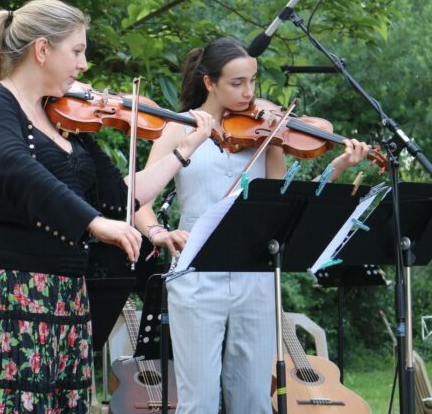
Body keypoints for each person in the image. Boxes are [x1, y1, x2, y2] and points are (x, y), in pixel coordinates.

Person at [0, 0, 214, 414]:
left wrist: (184, 150)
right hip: (10, 292)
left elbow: (120, 199)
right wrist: (93, 223)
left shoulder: (65, 118)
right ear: (42, 49)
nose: (84, 64)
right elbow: (16, 170)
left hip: (66, 295)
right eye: (77, 51)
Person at [134, 36, 371, 414]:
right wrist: (158, 233)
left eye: (253, 81)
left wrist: (337, 167)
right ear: (209, 83)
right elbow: (139, 200)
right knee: (198, 402)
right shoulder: (178, 128)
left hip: (256, 270)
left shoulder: (266, 134)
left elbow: (283, 204)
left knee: (254, 400)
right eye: (237, 83)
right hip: (195, 269)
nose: (249, 93)